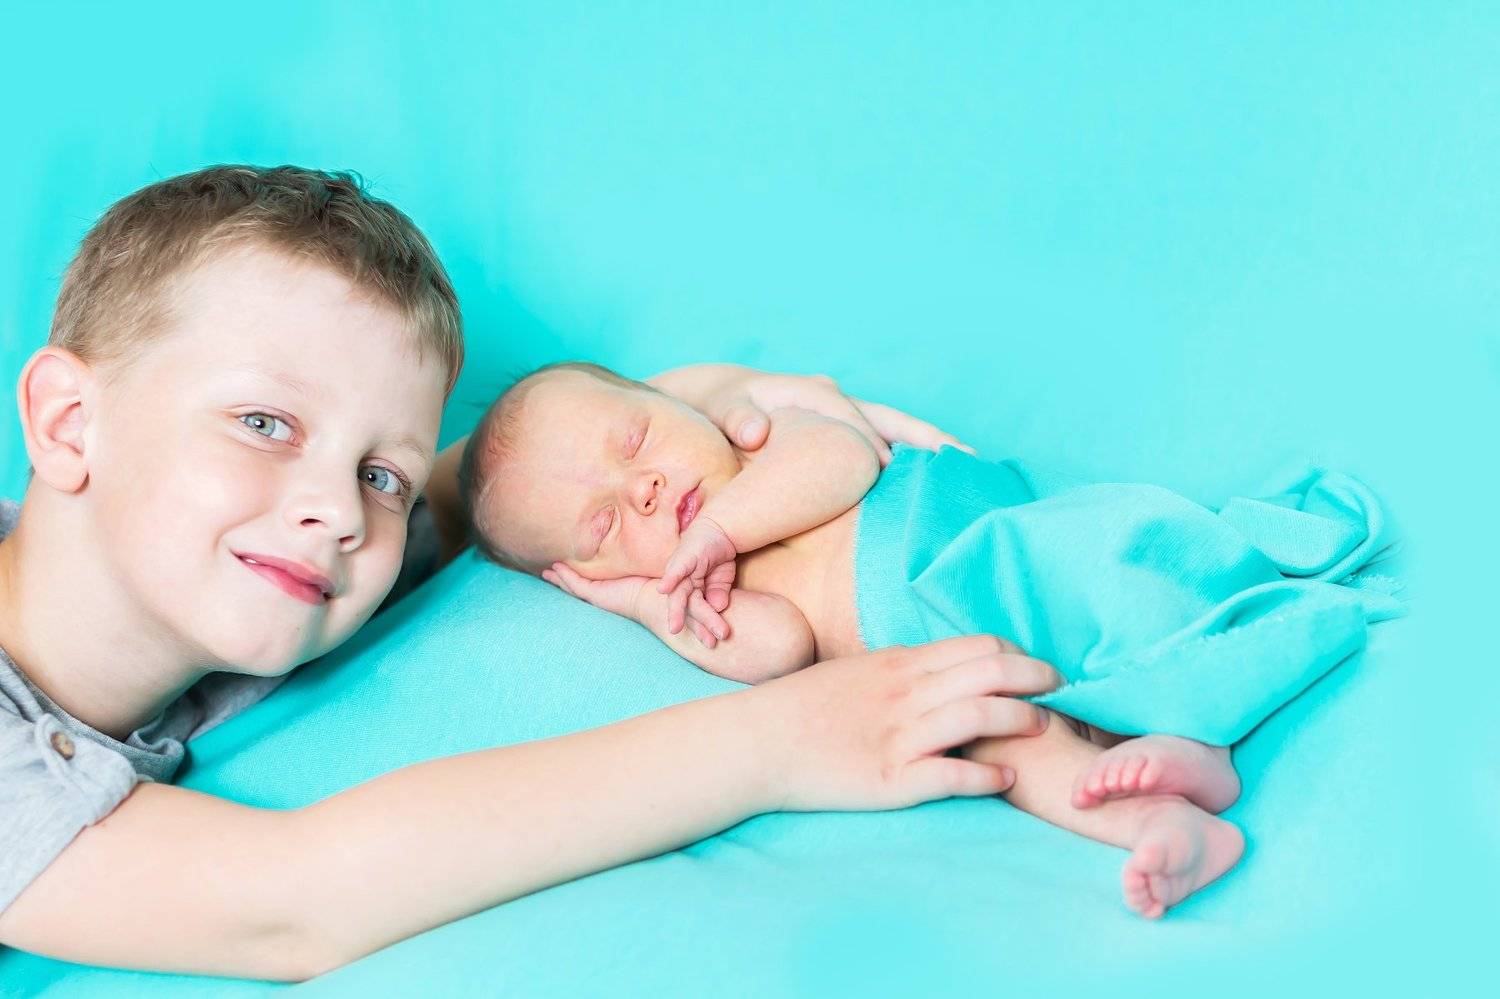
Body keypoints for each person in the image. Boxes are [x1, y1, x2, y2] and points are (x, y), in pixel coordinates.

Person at [0, 166, 1062, 980]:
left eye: (377, 471)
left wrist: (705, 416)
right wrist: (784, 740)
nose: (340, 509)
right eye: (265, 423)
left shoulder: (275, 549)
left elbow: (482, 489)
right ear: (69, 423)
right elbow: (285, 903)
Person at [458, 361, 1400, 917]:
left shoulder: (765, 446)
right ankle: (1160, 817)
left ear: (685, 405)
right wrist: (651, 605)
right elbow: (778, 650)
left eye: (634, 443)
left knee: (1108, 571)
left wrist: (723, 527)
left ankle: (1192, 728)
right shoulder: (708, 591)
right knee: (1005, 748)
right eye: (604, 526)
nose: (645, 491)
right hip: (943, 658)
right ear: (581, 577)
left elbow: (844, 458)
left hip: (1001, 554)